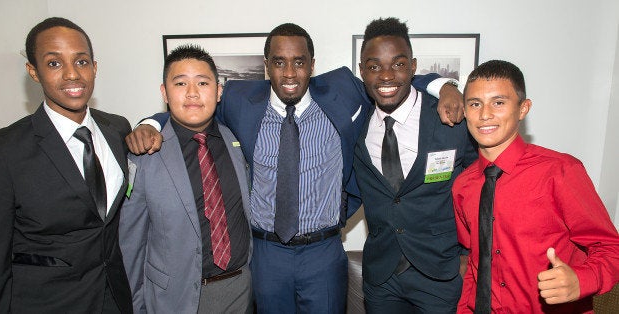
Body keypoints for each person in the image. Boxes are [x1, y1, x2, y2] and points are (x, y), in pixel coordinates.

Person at [125, 23, 462, 313]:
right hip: (266, 255)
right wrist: (151, 123)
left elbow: (391, 80)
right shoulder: (242, 101)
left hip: (324, 253)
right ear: (266, 66)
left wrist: (443, 86)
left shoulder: (342, 92)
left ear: (312, 65)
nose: (289, 73)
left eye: (299, 62)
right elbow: (191, 109)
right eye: (279, 62)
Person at [453, 59, 619, 313]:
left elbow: (611, 249)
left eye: (498, 102)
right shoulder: (463, 186)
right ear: (465, 111)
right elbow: (474, 262)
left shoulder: (560, 171)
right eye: (475, 104)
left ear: (523, 108)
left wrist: (582, 280)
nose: (485, 114)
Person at [0, 17, 132, 313]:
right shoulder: (3, 150)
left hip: (114, 299)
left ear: (94, 67)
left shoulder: (117, 129)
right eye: (54, 63)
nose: (72, 74)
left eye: (81, 62)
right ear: (34, 72)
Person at [350, 17, 477, 313]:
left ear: (413, 66)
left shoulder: (450, 119)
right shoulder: (356, 124)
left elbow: (478, 187)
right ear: (362, 72)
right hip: (381, 278)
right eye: (374, 66)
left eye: (398, 64)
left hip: (440, 274)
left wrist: (470, 253)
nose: (386, 76)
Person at [119, 45, 253, 313]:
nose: (192, 92)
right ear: (164, 93)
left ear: (218, 91)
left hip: (240, 292)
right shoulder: (144, 153)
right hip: (174, 299)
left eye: (202, 82)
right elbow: (130, 244)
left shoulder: (234, 140)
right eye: (180, 83)